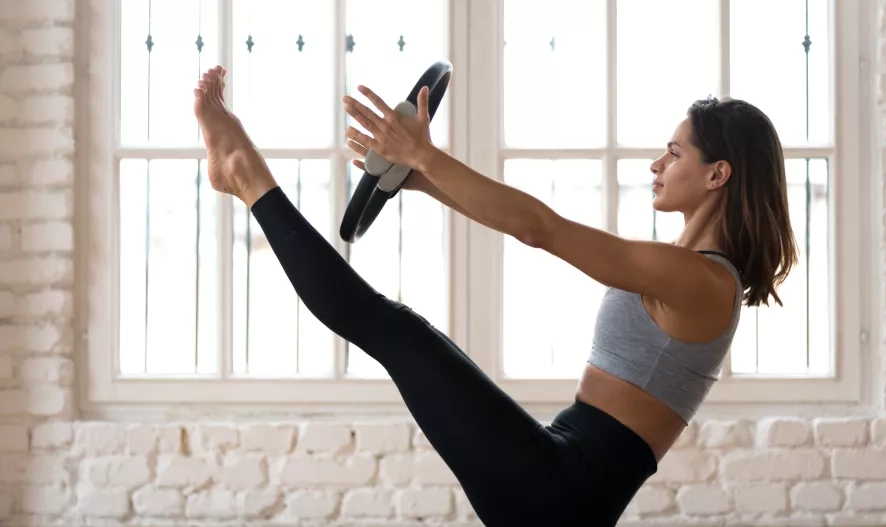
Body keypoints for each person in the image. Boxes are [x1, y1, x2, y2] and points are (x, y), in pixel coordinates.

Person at [192, 65, 796, 527]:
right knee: (396, 331)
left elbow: (540, 228)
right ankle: (244, 173)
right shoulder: (686, 270)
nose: (655, 163)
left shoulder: (702, 281)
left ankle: (245, 173)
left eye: (675, 152)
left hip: (560, 489)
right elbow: (529, 222)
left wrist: (425, 156)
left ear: (719, 174)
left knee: (394, 331)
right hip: (559, 475)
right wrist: (422, 178)